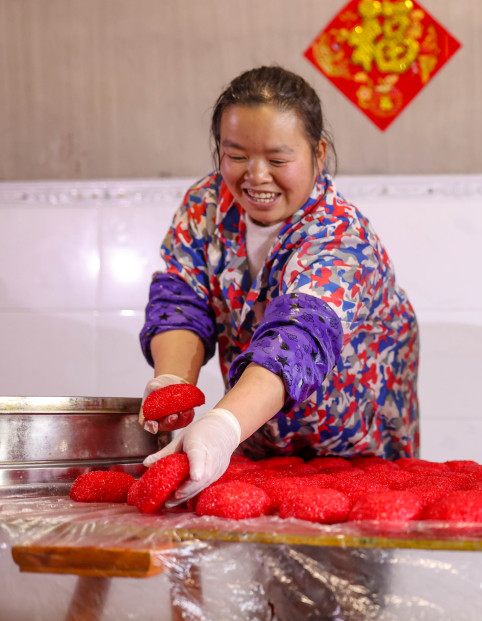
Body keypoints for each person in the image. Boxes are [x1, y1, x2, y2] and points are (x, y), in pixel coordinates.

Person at [139, 65, 419, 505]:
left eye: (277, 159)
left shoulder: (339, 236)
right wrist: (172, 381)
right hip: (255, 449)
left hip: (356, 460)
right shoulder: (206, 207)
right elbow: (183, 301)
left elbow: (299, 338)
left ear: (318, 154)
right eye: (236, 156)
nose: (256, 176)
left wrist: (221, 426)